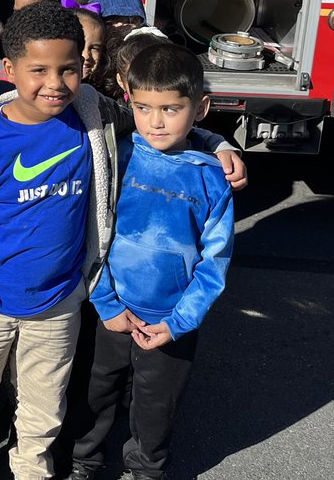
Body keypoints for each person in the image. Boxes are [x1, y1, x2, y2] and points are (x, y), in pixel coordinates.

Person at [0, 3, 245, 480]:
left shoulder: (91, 113)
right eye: (39, 70)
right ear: (8, 70)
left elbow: (158, 111)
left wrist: (217, 143)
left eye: (68, 69)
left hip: (58, 305)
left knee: (43, 411)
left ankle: (32, 471)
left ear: (84, 67)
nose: (55, 83)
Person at [68, 44, 233, 480]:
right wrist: (106, 303)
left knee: (156, 401)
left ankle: (146, 467)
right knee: (96, 390)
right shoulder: (117, 158)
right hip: (111, 308)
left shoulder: (210, 176)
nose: (156, 121)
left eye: (170, 108)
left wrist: (179, 322)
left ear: (200, 109)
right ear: (129, 102)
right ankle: (83, 458)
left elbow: (215, 263)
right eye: (143, 107)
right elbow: (93, 236)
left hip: (170, 319)